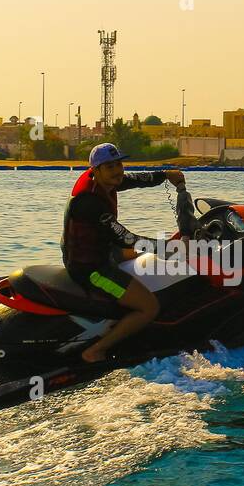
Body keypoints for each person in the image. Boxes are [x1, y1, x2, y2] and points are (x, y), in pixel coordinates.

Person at [62, 142, 186, 362]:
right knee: (148, 307)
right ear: (95, 170)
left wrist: (166, 175)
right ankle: (95, 350)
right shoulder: (89, 202)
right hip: (91, 269)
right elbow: (126, 238)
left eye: (119, 164)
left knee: (148, 256)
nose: (118, 170)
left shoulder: (105, 182)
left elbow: (135, 179)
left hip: (104, 251)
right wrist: (166, 248)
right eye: (110, 167)